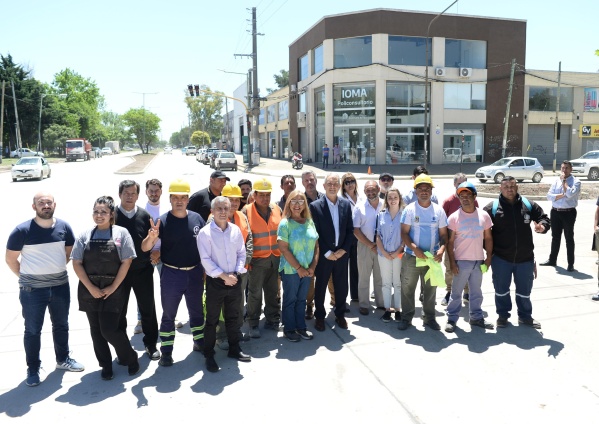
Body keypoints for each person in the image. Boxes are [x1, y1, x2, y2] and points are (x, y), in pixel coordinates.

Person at [6, 192, 84, 387]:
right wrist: (27, 278)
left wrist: (53, 271)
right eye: (41, 203)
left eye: (49, 202)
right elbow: (10, 259)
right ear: (34, 207)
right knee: (32, 330)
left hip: (60, 287)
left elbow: (69, 254)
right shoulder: (22, 230)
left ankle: (63, 359)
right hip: (32, 291)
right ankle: (33, 369)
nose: (46, 206)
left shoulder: (63, 227)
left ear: (54, 205)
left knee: (61, 325)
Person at [72, 196, 138, 380]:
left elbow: (127, 262)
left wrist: (113, 287)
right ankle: (106, 365)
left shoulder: (121, 233)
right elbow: (76, 263)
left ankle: (130, 358)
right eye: (96, 211)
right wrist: (91, 287)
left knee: (109, 330)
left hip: (114, 289)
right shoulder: (84, 235)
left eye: (103, 212)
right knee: (96, 330)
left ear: (111, 214)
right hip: (89, 289)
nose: (99, 215)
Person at [141, 179, 206, 366]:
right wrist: (151, 238)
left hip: (194, 273)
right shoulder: (162, 220)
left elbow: (205, 246)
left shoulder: (196, 219)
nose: (179, 201)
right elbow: (145, 248)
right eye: (175, 197)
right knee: (169, 314)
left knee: (196, 312)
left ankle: (199, 342)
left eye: (183, 197)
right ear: (169, 199)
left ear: (187, 199)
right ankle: (167, 352)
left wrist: (205, 270)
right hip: (171, 274)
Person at [483, 176, 550, 329]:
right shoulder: (491, 208)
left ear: (517, 187)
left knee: (524, 291)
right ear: (500, 188)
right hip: (501, 259)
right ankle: (503, 316)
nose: (509, 189)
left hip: (525, 258)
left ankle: (525, 317)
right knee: (501, 290)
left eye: (512, 185)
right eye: (506, 186)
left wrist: (543, 226)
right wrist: (489, 253)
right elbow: (480, 230)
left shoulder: (528, 205)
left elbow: (544, 218)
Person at [198, 196, 251, 372]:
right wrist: (224, 276)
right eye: (219, 208)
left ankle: (235, 350)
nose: (222, 212)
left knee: (233, 318)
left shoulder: (235, 230)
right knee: (212, 321)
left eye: (225, 209)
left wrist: (235, 273)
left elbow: (241, 253)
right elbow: (205, 260)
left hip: (234, 280)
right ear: (212, 211)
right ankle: (209, 355)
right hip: (216, 283)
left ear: (230, 211)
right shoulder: (205, 233)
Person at [114, 180, 160, 361]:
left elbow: (145, 246)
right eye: (126, 193)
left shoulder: (144, 216)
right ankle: (122, 349)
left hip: (142, 271)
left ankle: (151, 344)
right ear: (120, 194)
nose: (129, 196)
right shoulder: (113, 216)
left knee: (148, 309)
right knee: (119, 312)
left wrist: (152, 239)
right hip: (119, 274)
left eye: (133, 193)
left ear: (138, 195)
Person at [398, 174, 448, 331]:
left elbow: (444, 235)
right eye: (421, 189)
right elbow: (404, 233)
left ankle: (429, 318)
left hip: (431, 258)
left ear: (431, 191)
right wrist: (415, 249)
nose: (424, 192)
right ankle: (406, 318)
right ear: (416, 191)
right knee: (407, 288)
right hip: (412, 257)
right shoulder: (410, 210)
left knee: (430, 290)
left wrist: (441, 249)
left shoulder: (439, 211)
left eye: (427, 189)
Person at [208, 184, 253, 350]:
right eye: (230, 200)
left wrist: (241, 264)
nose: (234, 203)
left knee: (237, 303)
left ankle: (235, 331)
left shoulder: (242, 216)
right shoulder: (213, 219)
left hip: (239, 270)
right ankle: (221, 335)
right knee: (220, 306)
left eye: (237, 200)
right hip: (220, 274)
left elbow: (248, 240)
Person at [445, 182, 494, 332]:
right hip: (461, 262)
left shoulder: (483, 215)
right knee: (456, 293)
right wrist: (452, 263)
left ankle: (476, 317)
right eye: (462, 196)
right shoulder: (454, 218)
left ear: (474, 196)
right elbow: (450, 242)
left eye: (468, 195)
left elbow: (488, 238)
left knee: (476, 292)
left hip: (478, 261)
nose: (465, 199)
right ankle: (452, 319)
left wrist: (488, 258)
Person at [309, 173, 355, 331]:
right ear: (324, 186)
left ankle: (340, 314)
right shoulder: (315, 206)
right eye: (329, 183)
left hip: (341, 255)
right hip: (324, 255)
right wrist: (327, 252)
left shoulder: (346, 204)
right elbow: (315, 233)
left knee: (341, 286)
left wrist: (343, 250)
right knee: (320, 287)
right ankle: (320, 316)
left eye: (336, 183)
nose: (333, 186)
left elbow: (350, 231)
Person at [243, 178, 282, 338]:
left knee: (273, 292)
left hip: (275, 258)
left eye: (268, 195)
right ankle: (253, 323)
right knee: (255, 293)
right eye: (262, 195)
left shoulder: (276, 209)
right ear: (255, 195)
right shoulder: (246, 210)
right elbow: (244, 236)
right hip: (256, 261)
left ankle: (273, 319)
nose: (265, 199)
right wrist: (247, 260)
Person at [278, 190, 319, 342]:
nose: (297, 205)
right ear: (288, 203)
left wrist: (312, 267)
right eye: (293, 201)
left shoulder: (309, 221)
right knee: (290, 299)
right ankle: (289, 329)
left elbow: (316, 246)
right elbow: (283, 249)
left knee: (302, 299)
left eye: (300, 201)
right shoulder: (285, 223)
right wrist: (299, 268)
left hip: (308, 270)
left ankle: (301, 327)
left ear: (305, 204)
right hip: (291, 270)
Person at [440, 173, 478, 306]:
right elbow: (442, 223)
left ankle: (467, 292)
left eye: (464, 183)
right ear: (454, 185)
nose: (461, 186)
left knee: (467, 269)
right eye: (458, 184)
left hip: (467, 243)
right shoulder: (448, 202)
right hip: (451, 243)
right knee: (450, 268)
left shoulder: (473, 200)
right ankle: (449, 291)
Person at [540, 160, 581, 272]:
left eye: (567, 168)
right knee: (555, 237)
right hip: (556, 212)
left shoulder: (576, 182)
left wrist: (564, 183)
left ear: (571, 169)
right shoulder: (556, 181)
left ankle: (570, 264)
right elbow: (549, 196)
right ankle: (552, 260)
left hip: (569, 213)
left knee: (569, 238)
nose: (564, 170)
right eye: (562, 168)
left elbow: (570, 194)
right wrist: (562, 195)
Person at [353, 180, 384, 315]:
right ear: (364, 192)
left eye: (373, 189)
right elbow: (356, 230)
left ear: (378, 189)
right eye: (367, 190)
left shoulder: (386, 204)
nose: (370, 192)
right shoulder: (359, 207)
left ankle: (381, 303)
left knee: (380, 277)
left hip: (383, 247)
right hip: (365, 246)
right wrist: (370, 244)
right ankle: (364, 304)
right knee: (364, 276)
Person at [375, 188, 404, 322]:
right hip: (383, 254)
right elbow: (378, 236)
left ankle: (398, 309)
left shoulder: (404, 214)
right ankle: (387, 309)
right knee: (386, 283)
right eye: (390, 198)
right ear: (386, 200)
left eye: (395, 197)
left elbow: (406, 236)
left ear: (399, 199)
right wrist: (385, 253)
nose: (392, 200)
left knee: (397, 283)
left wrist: (398, 251)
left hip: (399, 254)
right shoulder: (381, 215)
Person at [340, 172, 360, 302]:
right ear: (343, 186)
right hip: (346, 238)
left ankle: (356, 295)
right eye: (346, 182)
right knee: (343, 270)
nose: (350, 184)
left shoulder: (361, 197)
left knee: (356, 267)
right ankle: (342, 298)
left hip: (359, 237)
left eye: (352, 181)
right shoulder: (341, 200)